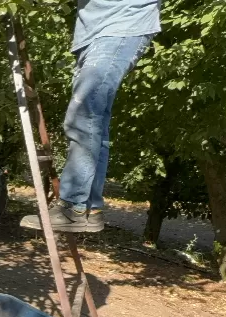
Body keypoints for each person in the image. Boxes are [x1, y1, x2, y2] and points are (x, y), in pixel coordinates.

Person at [21, 0, 159, 233]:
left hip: (119, 27)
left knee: (83, 117)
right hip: (99, 33)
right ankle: (88, 209)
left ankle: (72, 207)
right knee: (95, 124)